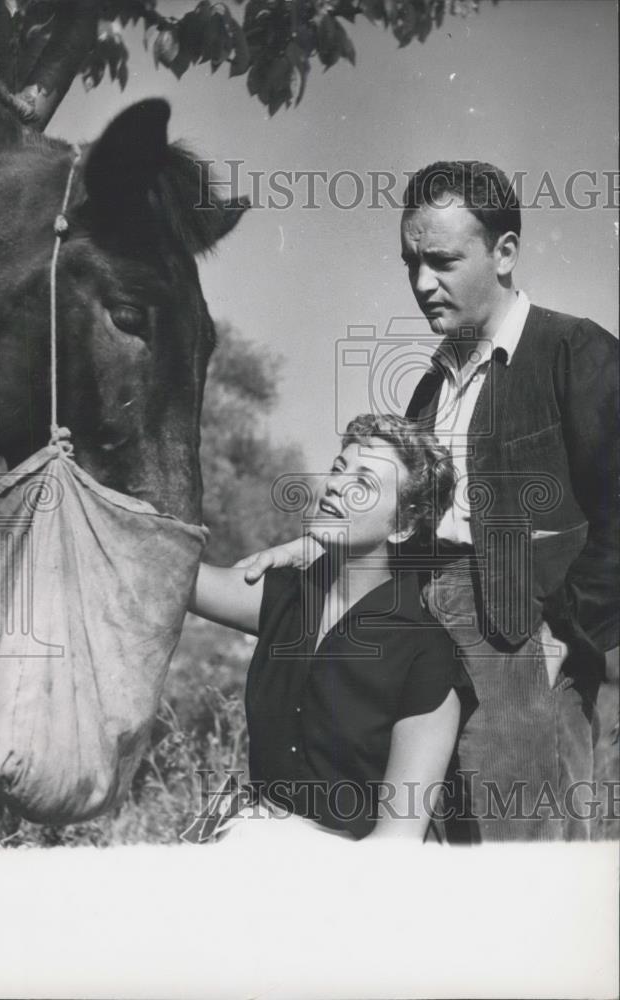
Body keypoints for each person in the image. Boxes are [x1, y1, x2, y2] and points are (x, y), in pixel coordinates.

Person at [238, 161, 619, 842]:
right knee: (427, 864)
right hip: (418, 640)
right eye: (411, 261)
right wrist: (308, 546)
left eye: (441, 260)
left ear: (504, 253)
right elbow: (401, 514)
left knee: (518, 874)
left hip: (520, 650)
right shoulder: (429, 388)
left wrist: (567, 638)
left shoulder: (576, 352)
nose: (421, 283)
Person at [185, 413, 476, 843]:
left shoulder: (425, 656)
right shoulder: (282, 595)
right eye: (339, 468)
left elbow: (396, 843)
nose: (337, 485)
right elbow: (168, 576)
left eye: (364, 482)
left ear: (404, 525)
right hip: (247, 845)